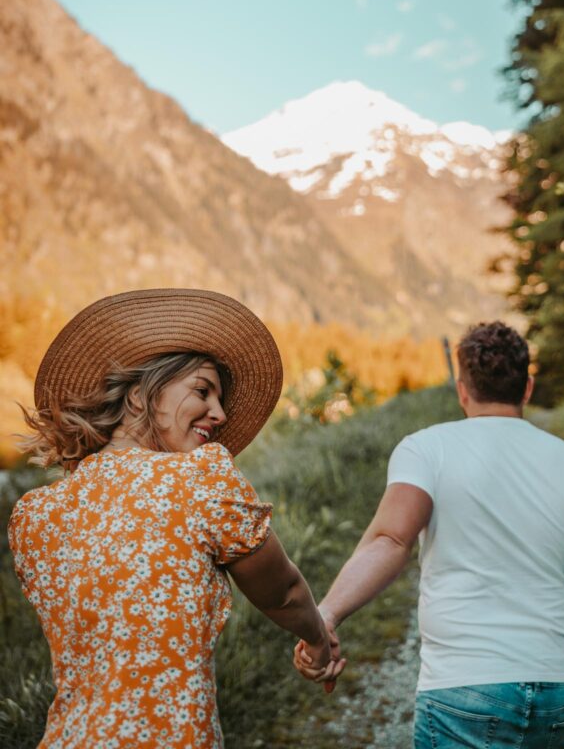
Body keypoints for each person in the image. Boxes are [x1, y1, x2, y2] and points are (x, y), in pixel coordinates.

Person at [9, 288, 334, 748]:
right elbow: (282, 592)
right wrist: (318, 641)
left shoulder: (34, 517)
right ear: (141, 396)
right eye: (203, 390)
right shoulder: (201, 478)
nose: (219, 414)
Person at [295, 321, 564, 748]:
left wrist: (327, 616)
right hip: (555, 690)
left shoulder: (427, 449)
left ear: (462, 389)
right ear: (527, 389)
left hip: (464, 688)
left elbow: (390, 541)